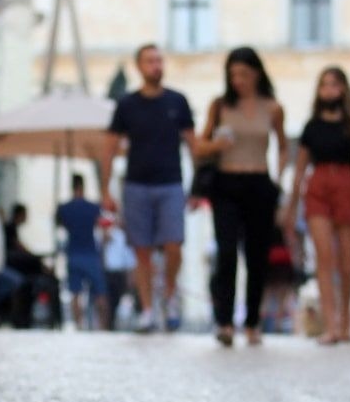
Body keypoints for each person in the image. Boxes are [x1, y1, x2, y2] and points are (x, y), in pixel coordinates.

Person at [100, 44, 226, 333]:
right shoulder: (127, 105)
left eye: (159, 60)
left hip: (170, 183)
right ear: (139, 66)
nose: (156, 65)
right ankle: (146, 309)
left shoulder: (177, 102)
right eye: (150, 61)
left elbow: (193, 147)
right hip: (136, 185)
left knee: (174, 246)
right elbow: (108, 149)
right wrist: (106, 191)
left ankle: (168, 296)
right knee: (141, 250)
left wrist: (199, 186)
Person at [199, 47, 290, 347]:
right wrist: (215, 147)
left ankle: (252, 322)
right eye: (232, 74)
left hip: (259, 182)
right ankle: (224, 322)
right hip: (226, 182)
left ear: (257, 73)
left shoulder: (273, 108)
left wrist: (277, 177)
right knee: (226, 253)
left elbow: (283, 145)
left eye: (244, 74)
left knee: (257, 256)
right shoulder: (220, 106)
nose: (238, 80)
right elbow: (200, 145)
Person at [283, 67, 350, 345]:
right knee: (324, 258)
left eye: (334, 84)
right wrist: (291, 205)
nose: (329, 90)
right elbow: (299, 170)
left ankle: (345, 321)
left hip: (347, 184)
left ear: (343, 89)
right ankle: (330, 324)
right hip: (318, 186)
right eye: (324, 85)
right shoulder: (311, 128)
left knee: (347, 261)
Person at [55, 174, 110, 331]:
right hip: (91, 254)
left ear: (72, 187)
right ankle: (103, 326)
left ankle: (78, 325)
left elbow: (59, 225)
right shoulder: (93, 207)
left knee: (75, 292)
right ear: (83, 186)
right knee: (100, 292)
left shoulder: (65, 208)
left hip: (73, 254)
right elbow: (104, 230)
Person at [101, 219, 136, 330]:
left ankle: (123, 325)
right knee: (110, 301)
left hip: (121, 273)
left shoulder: (124, 237)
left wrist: (130, 275)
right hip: (108, 273)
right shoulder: (105, 236)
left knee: (124, 302)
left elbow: (128, 258)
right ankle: (109, 325)